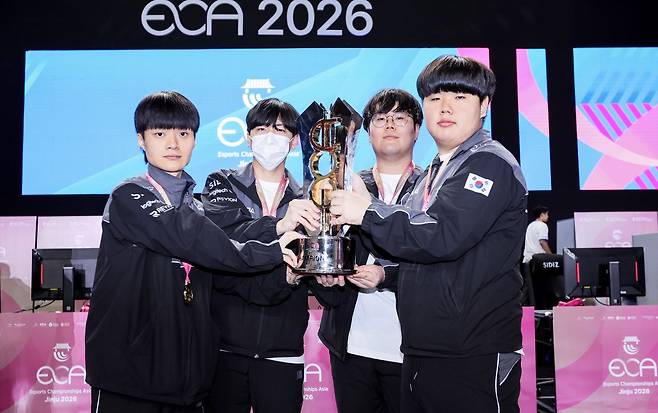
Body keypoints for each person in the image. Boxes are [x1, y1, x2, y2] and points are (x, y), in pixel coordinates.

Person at [329, 55, 528, 412]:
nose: (445, 107)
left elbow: (443, 235)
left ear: (484, 105)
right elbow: (419, 253)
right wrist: (385, 274)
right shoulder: (436, 171)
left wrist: (367, 211)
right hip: (425, 347)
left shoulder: (488, 163)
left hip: (472, 350)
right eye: (435, 98)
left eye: (460, 97)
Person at [85, 91, 300, 413]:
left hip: (187, 386)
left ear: (195, 140)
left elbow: (228, 280)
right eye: (160, 134)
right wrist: (273, 244)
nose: (173, 144)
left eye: (183, 134)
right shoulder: (129, 196)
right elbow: (188, 238)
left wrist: (289, 274)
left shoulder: (197, 209)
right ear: (141, 140)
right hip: (128, 380)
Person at [201, 97, 321, 413]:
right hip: (225, 346)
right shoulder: (222, 182)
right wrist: (280, 225)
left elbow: (310, 261)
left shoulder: (310, 196)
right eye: (261, 129)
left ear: (293, 141)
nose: (270, 137)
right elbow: (224, 239)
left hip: (283, 347)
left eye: (280, 130)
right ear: (248, 137)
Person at [317, 89, 423, 413]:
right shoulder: (344, 186)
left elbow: (436, 259)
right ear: (366, 132)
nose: (390, 124)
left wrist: (385, 275)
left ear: (417, 130)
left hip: (412, 347)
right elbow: (327, 246)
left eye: (400, 118)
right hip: (351, 346)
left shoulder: (431, 188)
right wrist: (325, 275)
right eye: (380, 118)